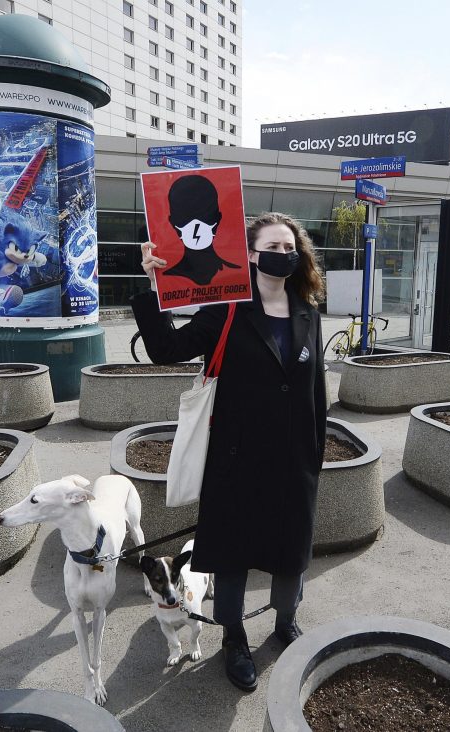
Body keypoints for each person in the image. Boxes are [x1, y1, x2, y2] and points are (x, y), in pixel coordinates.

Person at [133, 211, 327, 692]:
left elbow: (315, 390)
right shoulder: (227, 308)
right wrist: (153, 282)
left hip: (292, 463)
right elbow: (166, 349)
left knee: (290, 556)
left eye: (290, 247)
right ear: (250, 255)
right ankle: (234, 640)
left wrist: (314, 454)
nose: (284, 255)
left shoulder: (308, 310)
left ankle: (284, 623)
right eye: (273, 247)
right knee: (234, 558)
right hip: (237, 460)